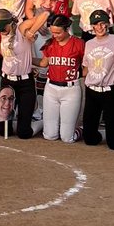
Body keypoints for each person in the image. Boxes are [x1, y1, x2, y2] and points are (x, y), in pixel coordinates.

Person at [81, 10, 114, 149]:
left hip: (109, 90)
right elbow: (86, 68)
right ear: (92, 26)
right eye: (96, 24)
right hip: (91, 91)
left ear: (108, 24)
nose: (99, 27)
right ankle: (102, 133)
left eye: (102, 23)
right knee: (89, 139)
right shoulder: (89, 43)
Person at [39, 13, 84, 143]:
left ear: (67, 29)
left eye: (58, 33)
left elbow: (86, 66)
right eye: (53, 32)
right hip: (51, 88)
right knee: (50, 135)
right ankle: (47, 125)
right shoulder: (50, 43)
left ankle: (81, 129)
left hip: (70, 89)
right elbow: (43, 63)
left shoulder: (79, 44)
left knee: (67, 138)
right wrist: (26, 60)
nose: (55, 36)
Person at [0, 7, 35, 139]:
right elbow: (3, 53)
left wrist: (31, 31)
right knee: (4, 131)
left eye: (2, 27)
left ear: (9, 23)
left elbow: (43, 15)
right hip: (7, 82)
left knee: (24, 133)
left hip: (25, 83)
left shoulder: (21, 30)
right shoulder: (2, 33)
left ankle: (39, 122)